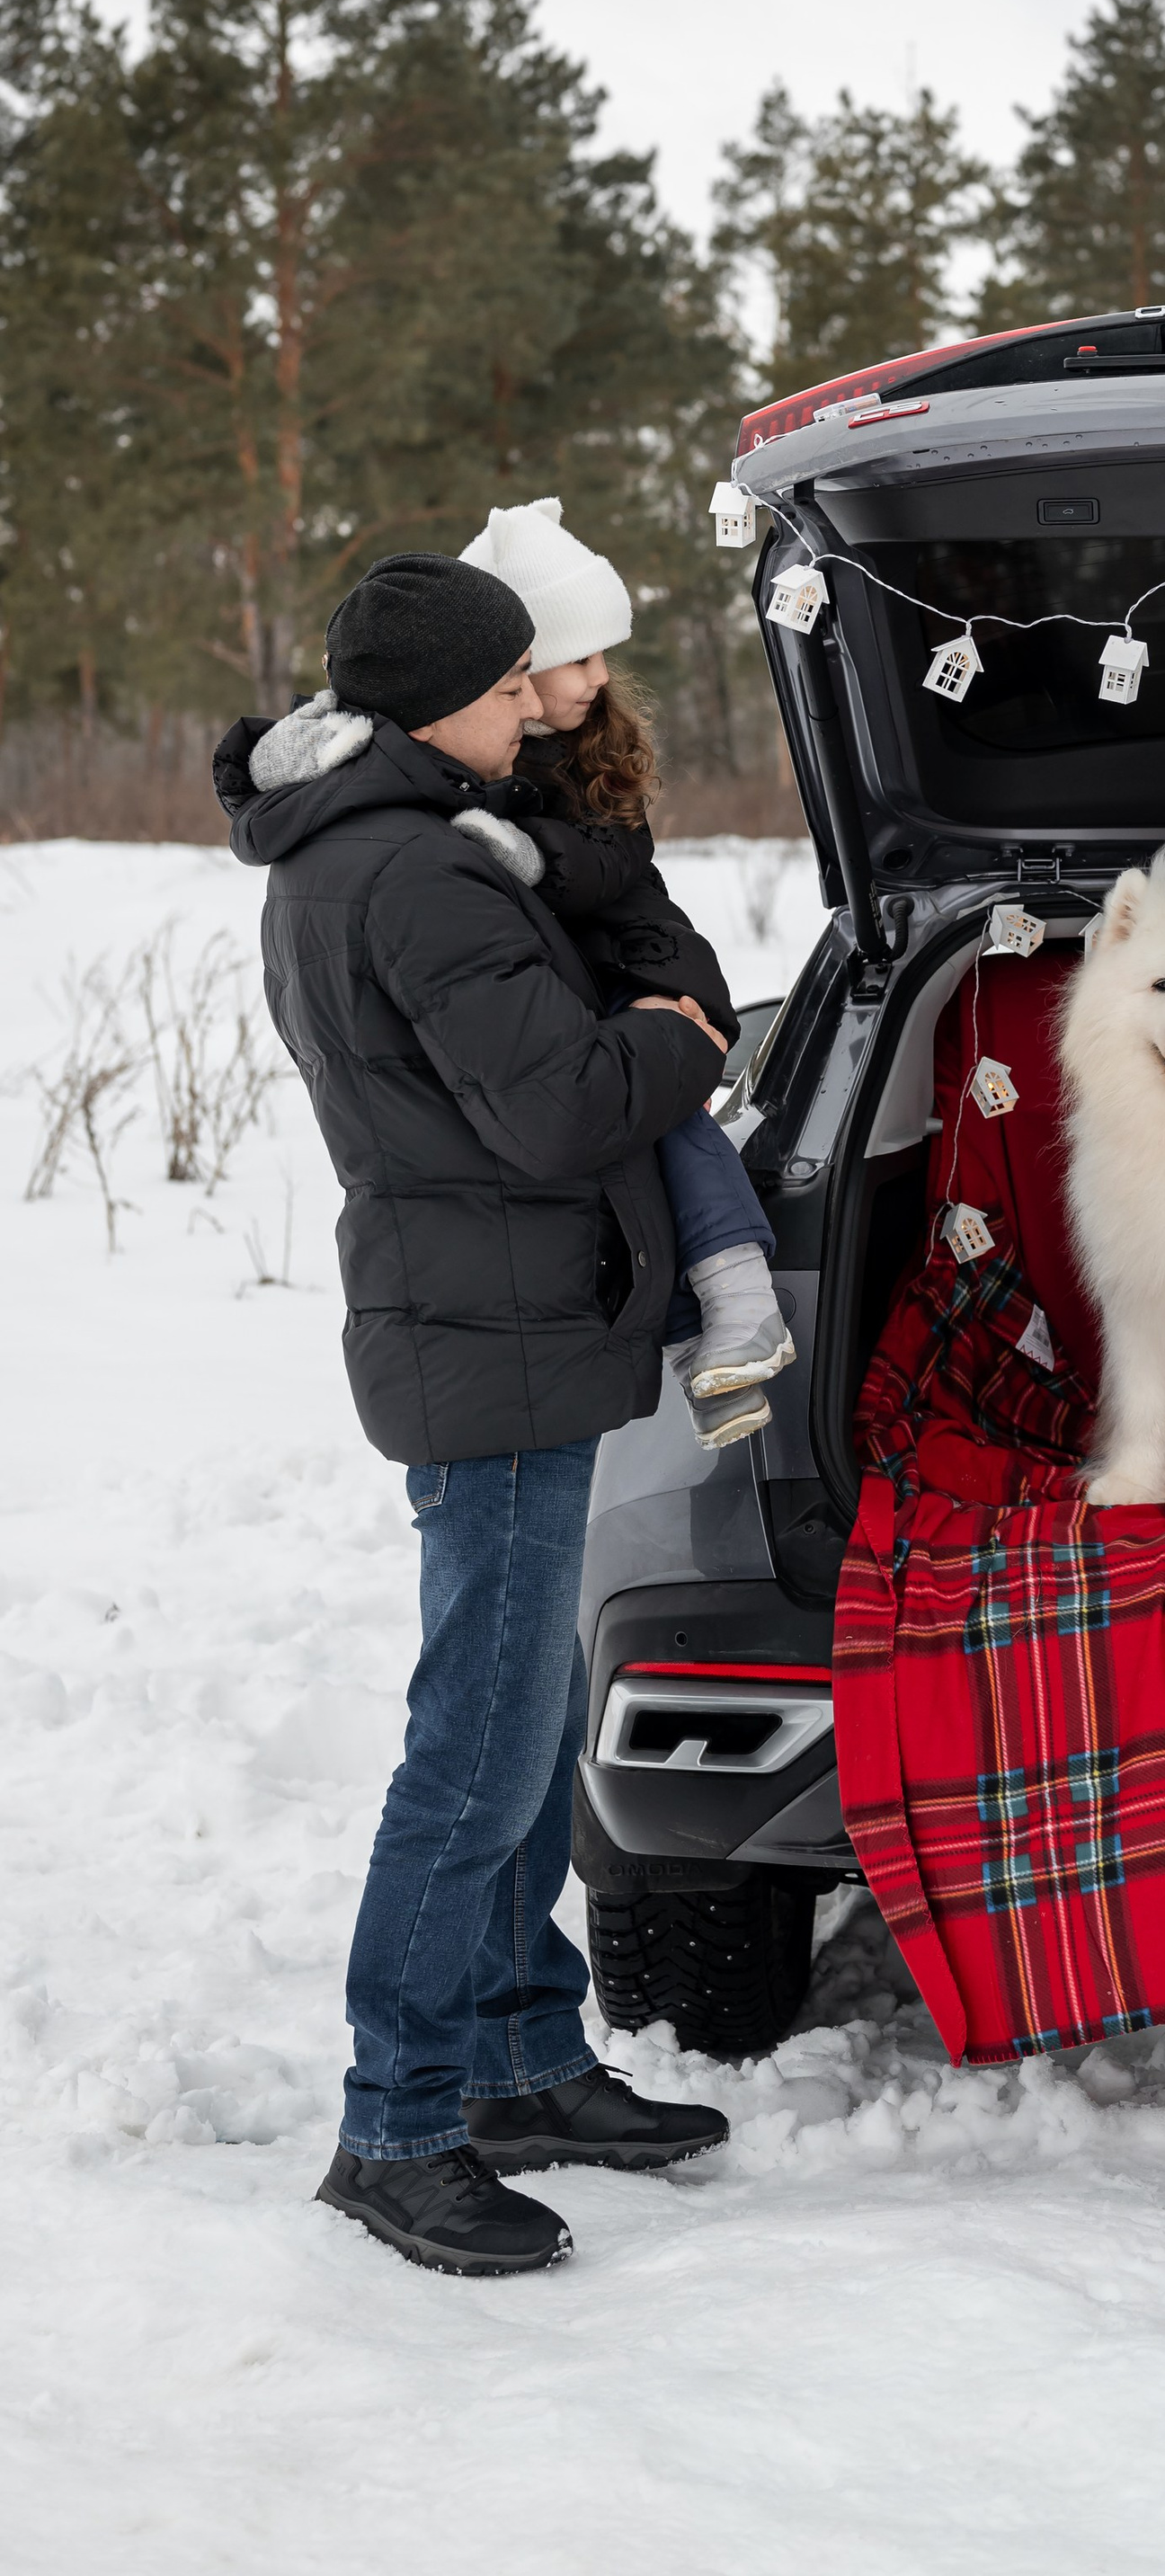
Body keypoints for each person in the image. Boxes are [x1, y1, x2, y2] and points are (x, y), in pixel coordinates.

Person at [215, 552, 734, 2278]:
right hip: (492, 1334)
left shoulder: (382, 844)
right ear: (432, 700)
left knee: (518, 1725)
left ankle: (518, 2058)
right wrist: (679, 1032)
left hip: (502, 1320)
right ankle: (400, 2127)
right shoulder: (416, 875)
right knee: (480, 1757)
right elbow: (565, 1104)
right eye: (513, 684)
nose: (540, 704)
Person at [454, 495, 794, 1442]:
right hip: (603, 980)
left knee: (670, 1121)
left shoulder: (576, 764)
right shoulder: (495, 760)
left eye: (605, 656)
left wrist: (527, 852)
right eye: (579, 658)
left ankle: (737, 1292)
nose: (599, 680)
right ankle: (706, 1346)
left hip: (644, 962)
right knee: (628, 1143)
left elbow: (612, 865)